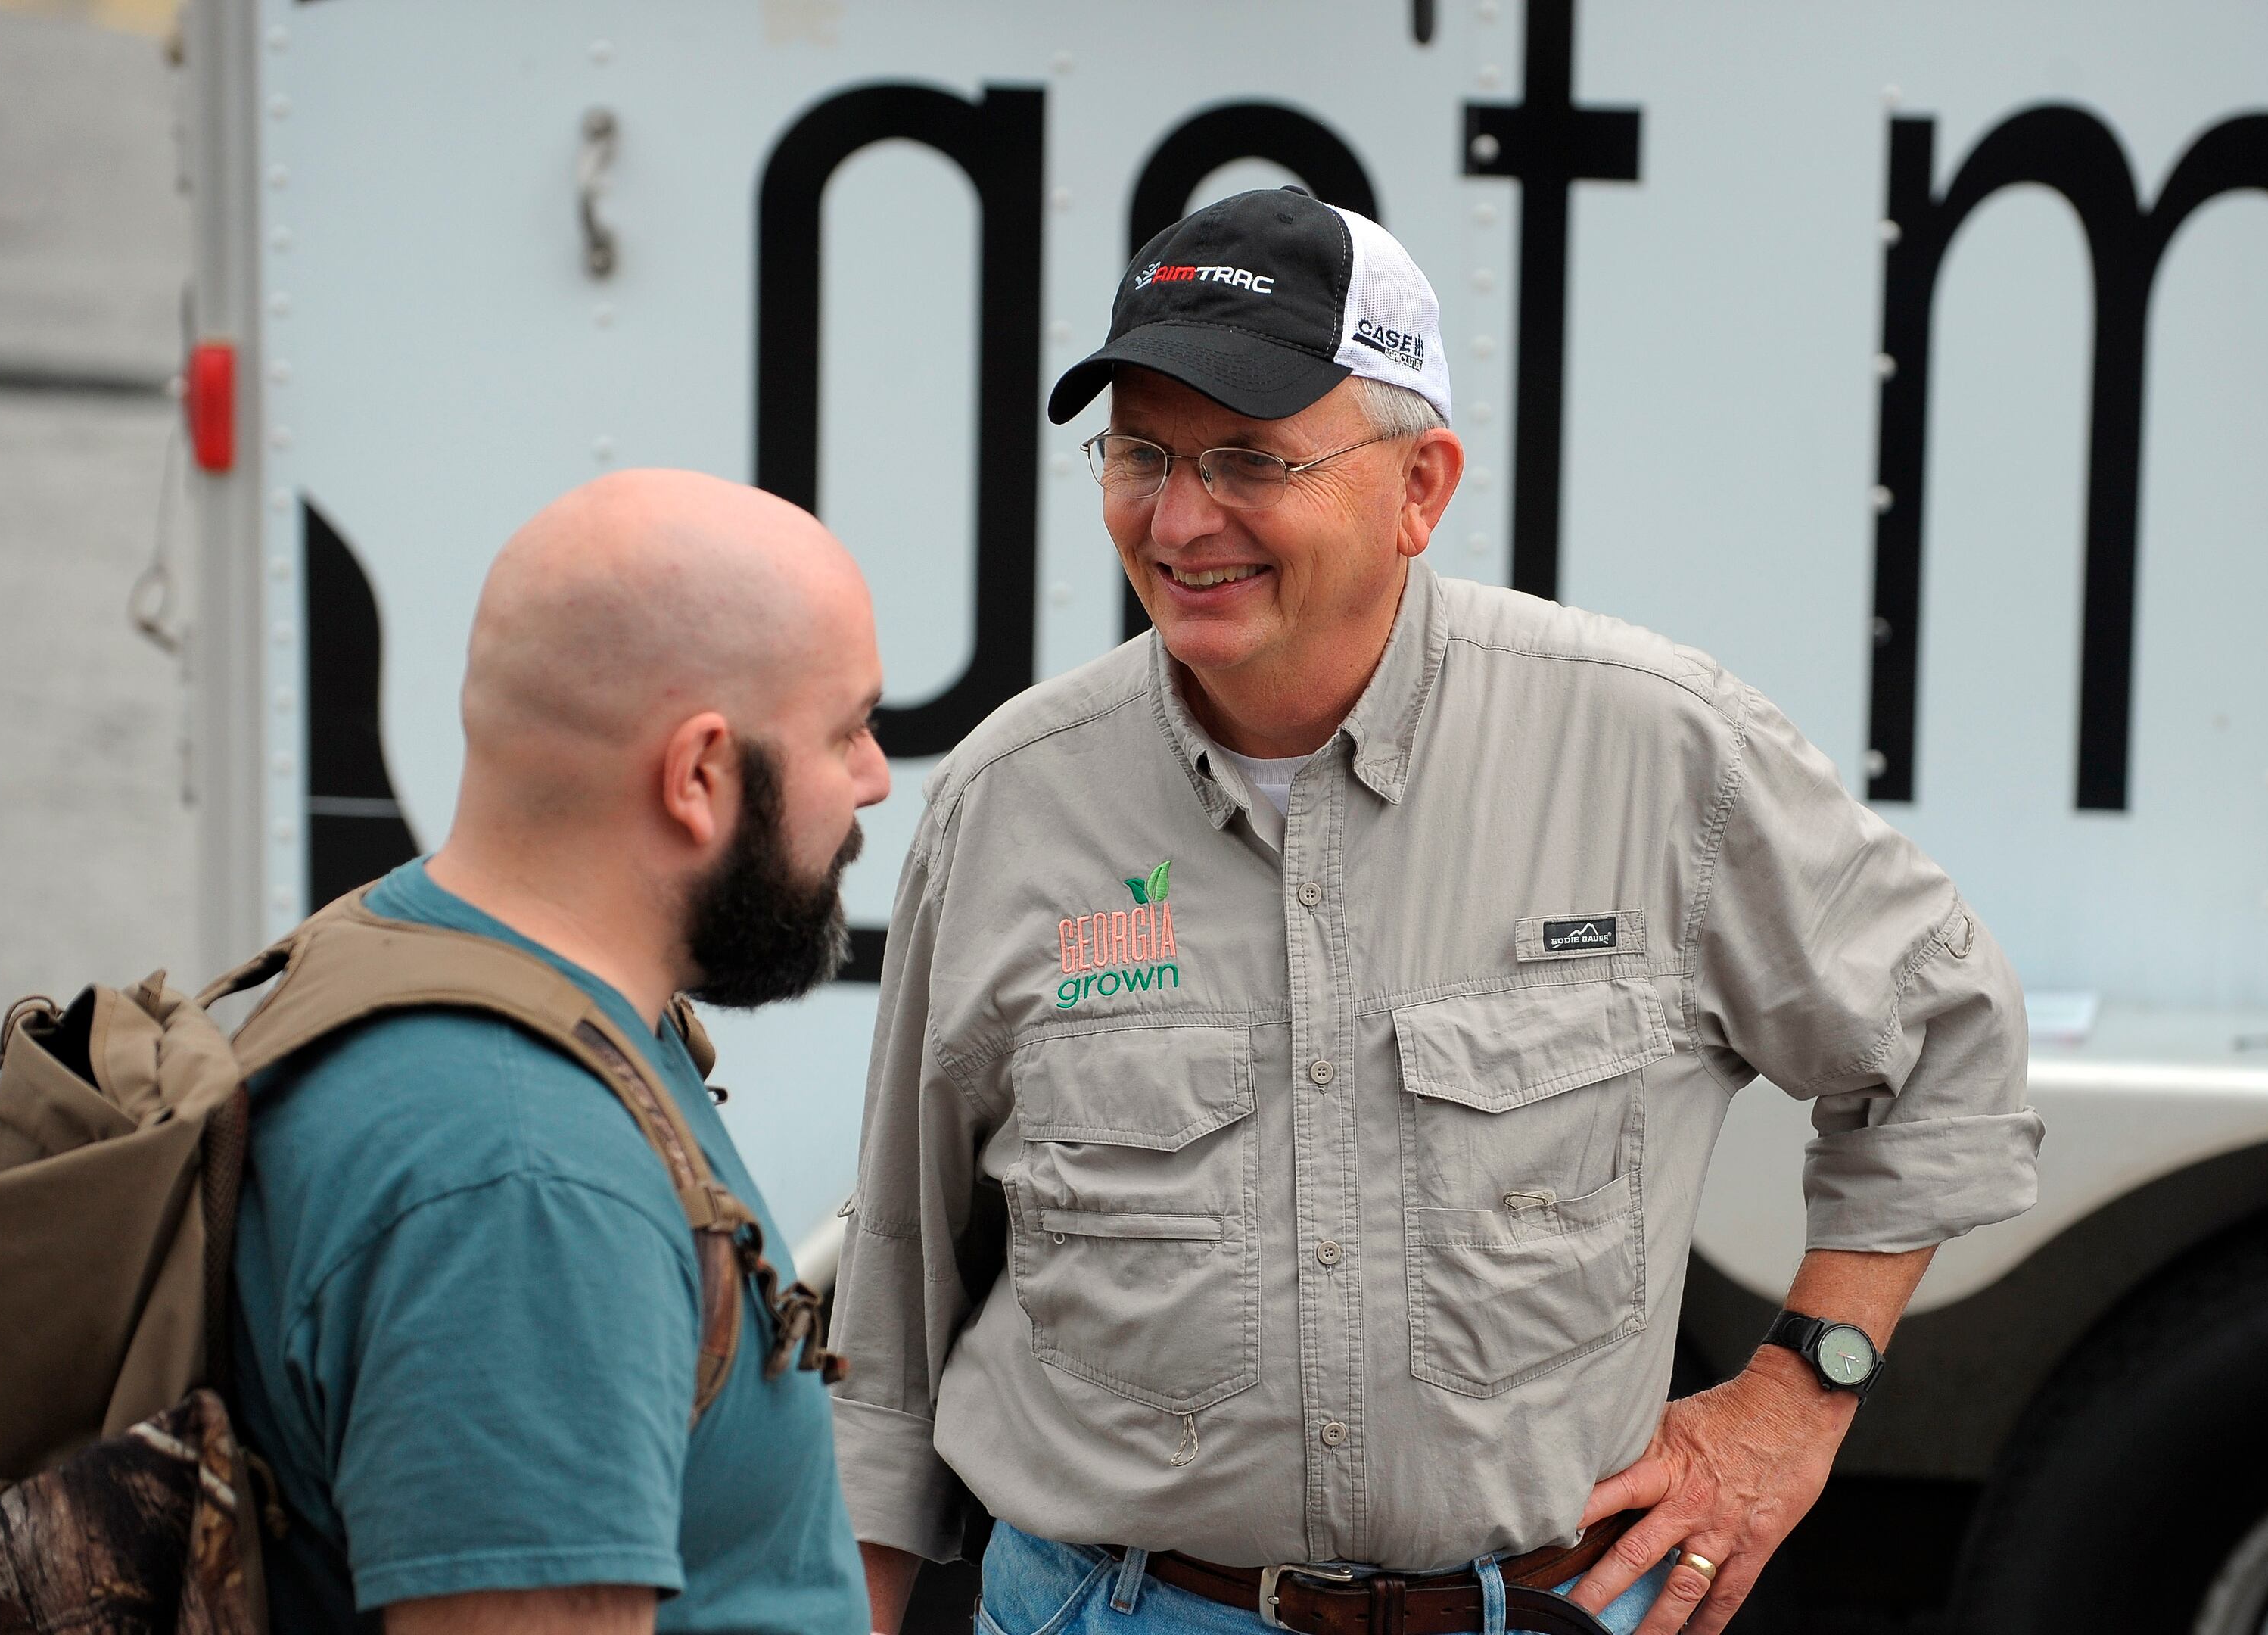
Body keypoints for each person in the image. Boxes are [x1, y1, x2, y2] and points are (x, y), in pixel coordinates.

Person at [832, 190, 2039, 1635]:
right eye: (1140, 453)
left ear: (1422, 487)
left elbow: (1948, 1044)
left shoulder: (1657, 751)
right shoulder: (1010, 802)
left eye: (1247, 459)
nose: (1179, 517)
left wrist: (1799, 1395)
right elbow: (895, 1306)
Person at [235, 469, 888, 1633]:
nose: (874, 779)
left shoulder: (417, 949)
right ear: (698, 777)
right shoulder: (526, 1189)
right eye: (846, 732)